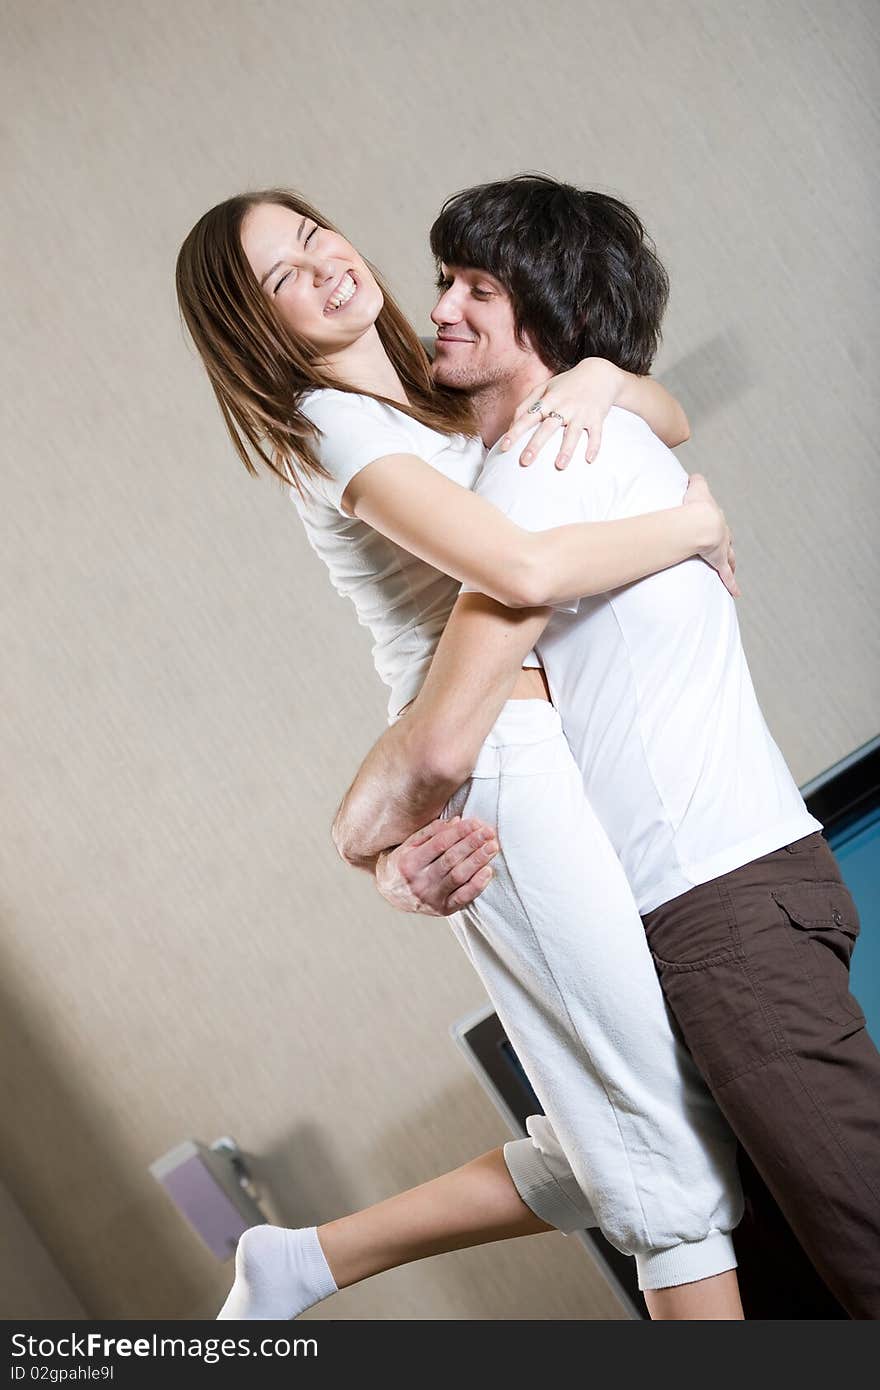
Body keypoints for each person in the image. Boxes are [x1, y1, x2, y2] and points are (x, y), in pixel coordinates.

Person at [175, 182, 745, 1322]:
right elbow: (520, 574)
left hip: (551, 739)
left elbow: (658, 416)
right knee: (670, 1166)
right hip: (494, 763)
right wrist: (689, 526)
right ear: (256, 325)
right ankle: (305, 1261)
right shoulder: (326, 427)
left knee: (647, 1112)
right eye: (280, 276)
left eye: (310, 233)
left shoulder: (437, 387)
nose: (322, 263)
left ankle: (304, 1261)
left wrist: (591, 377)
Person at [332, 177, 880, 1320]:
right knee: (749, 1235)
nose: (440, 308)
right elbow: (654, 408)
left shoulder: (540, 473)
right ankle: (308, 1258)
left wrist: (357, 844)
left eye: (478, 287)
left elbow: (441, 736)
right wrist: (608, 382)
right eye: (443, 280)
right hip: (722, 900)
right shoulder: (592, 431)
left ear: (552, 311)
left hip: (713, 905)